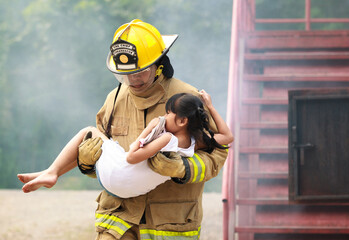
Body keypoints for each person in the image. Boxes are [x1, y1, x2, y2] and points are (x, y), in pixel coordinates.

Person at [20, 19, 230, 240]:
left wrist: (182, 168)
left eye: (141, 72)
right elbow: (108, 160)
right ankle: (51, 172)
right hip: (117, 219)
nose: (133, 79)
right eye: (126, 73)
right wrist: (86, 162)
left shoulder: (187, 100)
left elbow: (219, 151)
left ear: (159, 65)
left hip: (169, 222)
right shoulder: (114, 99)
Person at [18, 91, 233, 199]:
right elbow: (227, 137)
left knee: (88, 133)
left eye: (168, 113)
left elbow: (131, 156)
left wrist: (148, 131)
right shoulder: (196, 142)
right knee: (98, 147)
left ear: (182, 120)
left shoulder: (166, 138)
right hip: (134, 188)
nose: (164, 116)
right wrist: (210, 107)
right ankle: (51, 172)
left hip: (122, 175)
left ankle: (53, 171)